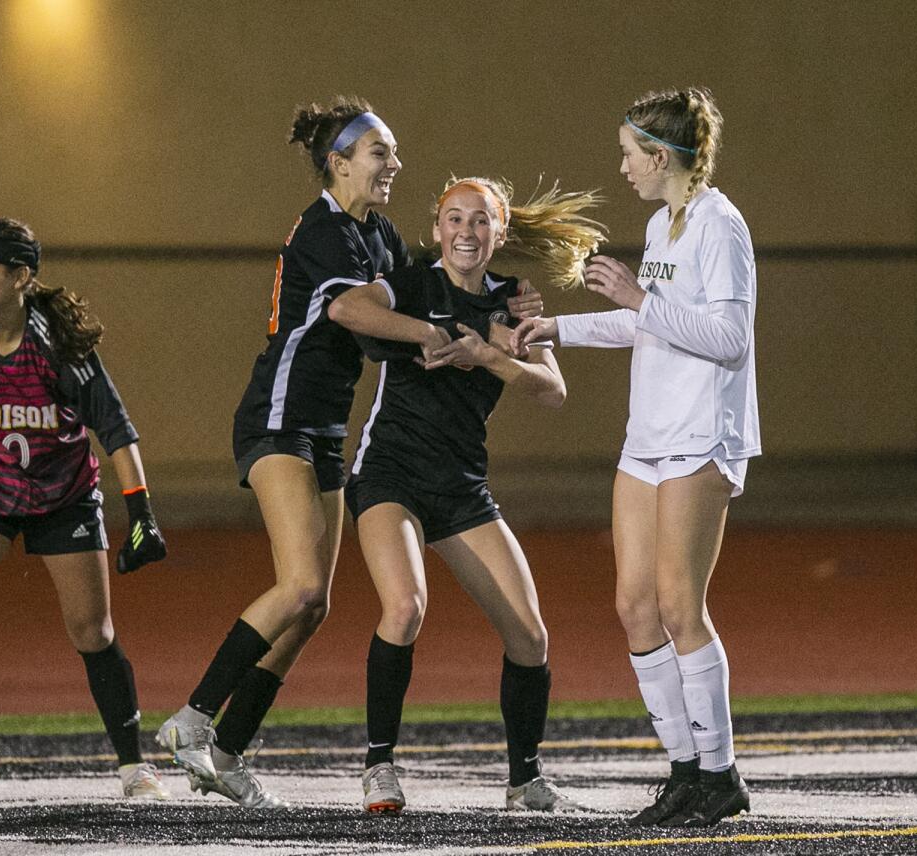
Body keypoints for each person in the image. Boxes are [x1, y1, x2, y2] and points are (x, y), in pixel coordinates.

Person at [156, 97, 546, 810]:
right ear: (337, 164)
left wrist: (506, 301)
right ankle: (194, 717)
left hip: (328, 428)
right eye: (379, 153)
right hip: (280, 418)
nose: (394, 163)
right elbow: (348, 310)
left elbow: (431, 284)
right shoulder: (324, 230)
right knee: (300, 588)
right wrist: (432, 336)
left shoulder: (377, 232)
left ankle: (228, 747)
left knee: (314, 606)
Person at [511, 87, 758, 827]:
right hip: (646, 439)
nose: (621, 166)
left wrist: (639, 299)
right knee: (634, 606)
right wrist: (556, 326)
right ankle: (685, 772)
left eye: (629, 153)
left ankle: (721, 777)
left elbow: (728, 340)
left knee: (682, 606)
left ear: (661, 156)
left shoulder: (721, 227)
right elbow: (647, 330)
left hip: (699, 438)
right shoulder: (660, 224)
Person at [327, 176, 604, 814]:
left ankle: (524, 778)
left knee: (530, 637)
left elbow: (551, 389)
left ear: (499, 233)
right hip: (390, 475)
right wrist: (425, 333)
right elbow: (345, 309)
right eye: (454, 219)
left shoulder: (513, 302)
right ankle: (379, 766)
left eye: (480, 221)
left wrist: (486, 355)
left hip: (460, 486)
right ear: (436, 230)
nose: (466, 232)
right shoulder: (413, 282)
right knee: (406, 607)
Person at [0, 218, 169, 800]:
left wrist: (142, 512)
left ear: (21, 276)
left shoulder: (59, 344)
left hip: (63, 496)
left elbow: (116, 430)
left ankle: (135, 767)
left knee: (92, 631)